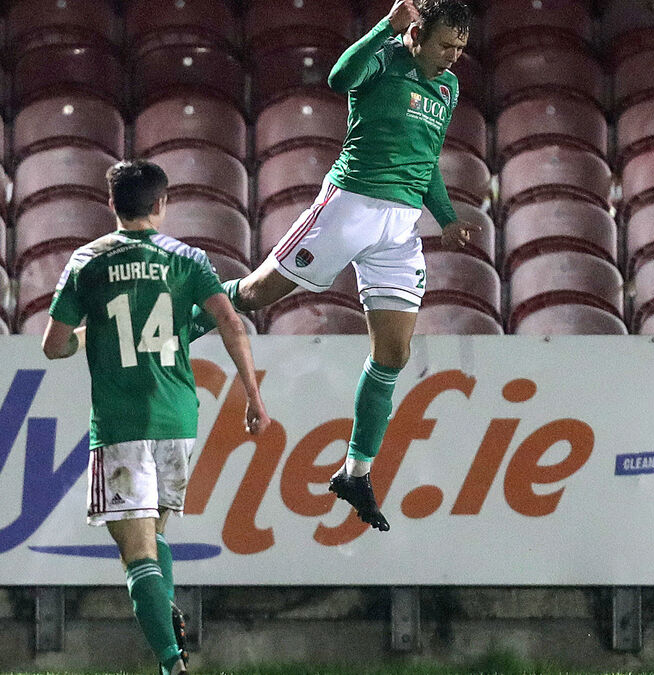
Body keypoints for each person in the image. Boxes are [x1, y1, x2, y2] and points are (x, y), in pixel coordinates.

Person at [186, 0, 476, 532]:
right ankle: (171, 331)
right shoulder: (383, 59)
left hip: (401, 228)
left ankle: (355, 472)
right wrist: (384, 28)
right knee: (254, 294)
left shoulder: (448, 88)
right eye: (445, 45)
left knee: (394, 353)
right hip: (349, 207)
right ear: (416, 34)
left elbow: (428, 159)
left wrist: (447, 217)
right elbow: (339, 78)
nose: (453, 57)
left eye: (460, 47)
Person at [41, 160, 269, 675]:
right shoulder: (188, 258)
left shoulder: (88, 260)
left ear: (111, 203)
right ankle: (165, 614)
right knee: (156, 536)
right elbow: (231, 322)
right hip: (177, 420)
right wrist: (253, 397)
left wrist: (86, 337)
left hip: (120, 423)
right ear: (161, 204)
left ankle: (171, 663)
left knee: (136, 555)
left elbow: (53, 346)